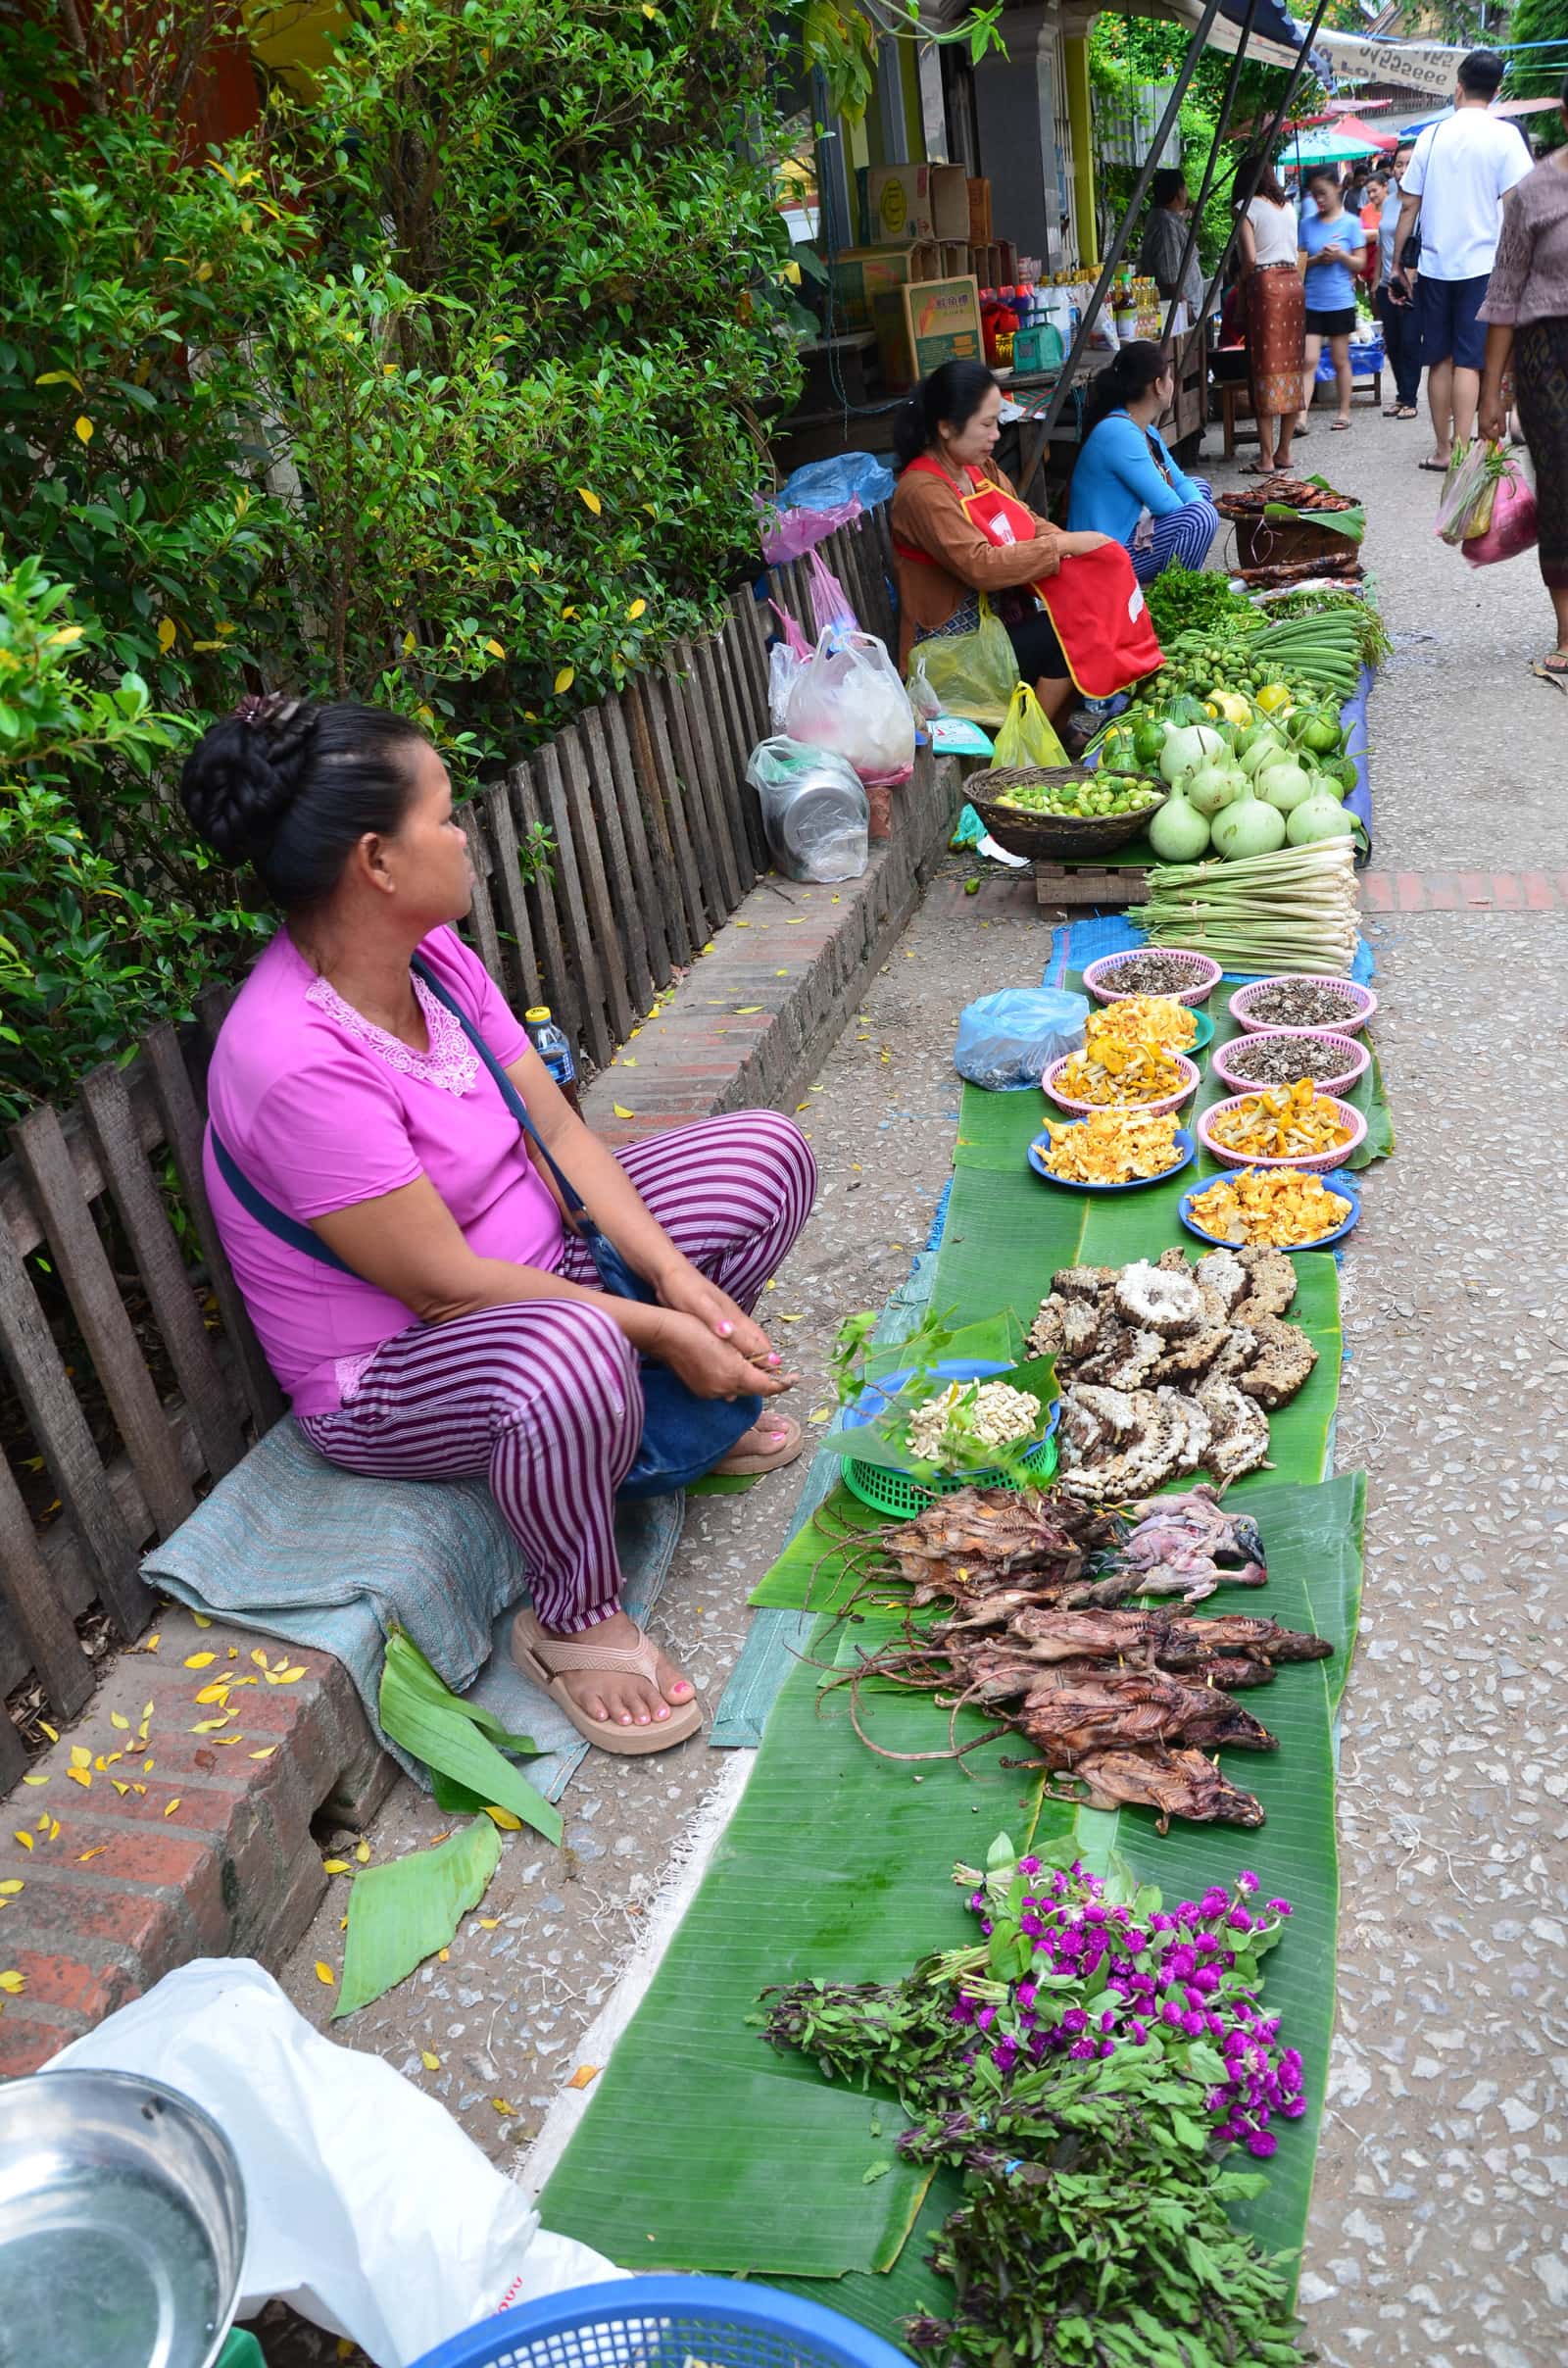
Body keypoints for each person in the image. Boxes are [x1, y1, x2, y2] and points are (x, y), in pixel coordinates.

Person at [179, 696, 816, 1755]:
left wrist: (679, 1280)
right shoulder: (292, 1058)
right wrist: (653, 1326)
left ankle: (641, 1427)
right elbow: (438, 1286)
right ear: (377, 861)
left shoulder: (431, 958)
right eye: (445, 815)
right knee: (571, 1350)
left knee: (762, 1153)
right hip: (402, 1364)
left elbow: (562, 1135)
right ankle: (571, 1616)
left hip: (543, 1272)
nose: (467, 833)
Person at [889, 360, 1155, 726]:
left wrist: (1073, 542)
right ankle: (1025, 747)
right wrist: (1064, 546)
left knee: (1092, 613)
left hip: (996, 629)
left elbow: (1025, 521)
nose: (996, 434)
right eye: (986, 424)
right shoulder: (921, 491)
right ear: (947, 427)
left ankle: (1054, 733)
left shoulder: (977, 469)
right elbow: (980, 566)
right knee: (1070, 635)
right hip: (949, 654)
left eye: (996, 422)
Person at [1392, 48, 1532, 471]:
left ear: (1458, 85)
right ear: (1497, 90)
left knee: (1439, 358)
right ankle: (1462, 449)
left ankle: (1440, 450)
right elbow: (1517, 206)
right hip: (1483, 267)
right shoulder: (1505, 136)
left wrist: (1398, 264)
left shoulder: (1431, 136)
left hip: (1435, 266)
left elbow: (1408, 207)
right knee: (1471, 359)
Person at [1478, 72, 1568, 684]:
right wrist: (1490, 395)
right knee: (1562, 483)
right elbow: (1505, 295)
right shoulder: (1534, 191)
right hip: (1549, 356)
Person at [1066, 342, 1218, 582]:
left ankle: (1171, 587)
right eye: (1169, 378)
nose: (1172, 385)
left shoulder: (1144, 430)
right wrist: (1200, 514)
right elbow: (1166, 504)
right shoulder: (1118, 432)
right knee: (1198, 518)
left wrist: (1198, 506)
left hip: (1127, 536)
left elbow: (1179, 481)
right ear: (1158, 386)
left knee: (1199, 489)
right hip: (1101, 560)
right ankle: (1174, 599)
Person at [1235, 152, 1303, 475]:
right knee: (1290, 366)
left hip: (1266, 288)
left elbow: (1249, 257)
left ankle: (1265, 457)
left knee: (1263, 367)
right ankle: (1284, 450)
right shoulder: (1288, 206)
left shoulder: (1246, 208)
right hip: (1293, 285)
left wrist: (1241, 280)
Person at [1298, 169, 1365, 433]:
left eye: (1323, 193)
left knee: (1340, 359)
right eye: (1315, 196)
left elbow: (1359, 263)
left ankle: (1344, 411)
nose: (1319, 200)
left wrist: (1341, 257)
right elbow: (1299, 264)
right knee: (1308, 359)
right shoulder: (1306, 224)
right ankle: (1301, 416)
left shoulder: (1350, 223)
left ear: (1337, 188)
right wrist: (1317, 259)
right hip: (1312, 300)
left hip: (1340, 300)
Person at [1377, 144, 1424, 420]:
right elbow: (1384, 244)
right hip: (1386, 282)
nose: (1402, 170)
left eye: (1408, 164)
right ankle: (1400, 395)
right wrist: (1375, 282)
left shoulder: (1422, 200)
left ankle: (1410, 398)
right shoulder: (1389, 200)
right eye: (1398, 164)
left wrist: (1414, 276)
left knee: (1409, 341)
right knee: (1392, 343)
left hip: (1412, 283)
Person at [1138, 167, 1205, 325]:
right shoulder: (1165, 225)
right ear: (1179, 192)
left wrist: (1192, 212)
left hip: (1184, 311)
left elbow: (1180, 217)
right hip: (1180, 315)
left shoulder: (1166, 217)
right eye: (1185, 187)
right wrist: (1186, 310)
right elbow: (1170, 279)